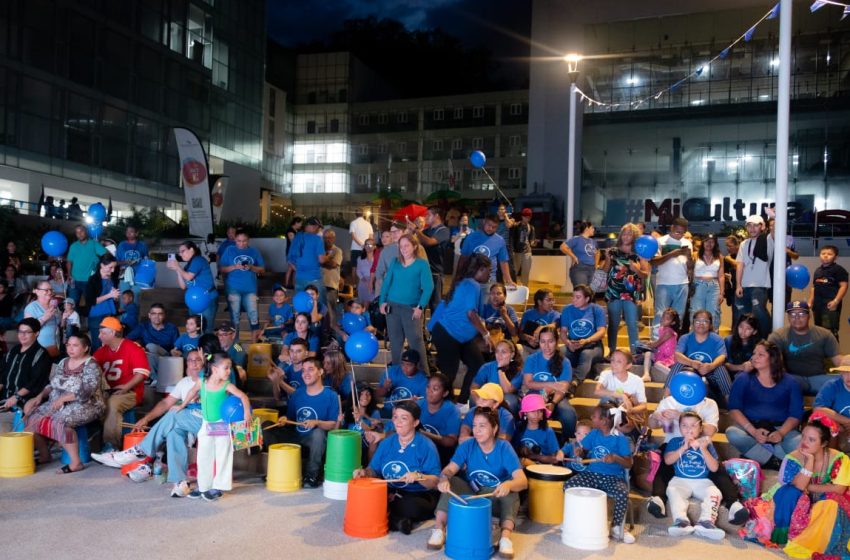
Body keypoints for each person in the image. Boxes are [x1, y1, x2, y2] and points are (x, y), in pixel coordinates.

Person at [91, 349, 205, 495]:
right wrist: (146, 419)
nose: (194, 363)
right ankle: (180, 482)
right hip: (186, 425)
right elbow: (165, 403)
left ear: (204, 362)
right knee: (173, 432)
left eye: (198, 360)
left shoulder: (210, 378)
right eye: (190, 360)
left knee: (174, 415)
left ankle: (141, 451)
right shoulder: (184, 383)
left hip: (205, 422)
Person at [740, 414, 850, 556]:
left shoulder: (839, 459)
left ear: (823, 443)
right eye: (803, 436)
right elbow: (796, 488)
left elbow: (839, 489)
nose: (805, 442)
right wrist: (809, 461)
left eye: (811, 440)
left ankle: (820, 540)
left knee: (832, 501)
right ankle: (790, 536)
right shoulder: (792, 458)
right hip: (796, 502)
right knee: (792, 494)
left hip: (823, 501)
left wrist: (809, 487)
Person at [428, 406, 528, 558]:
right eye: (474, 425)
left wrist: (508, 485)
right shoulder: (468, 445)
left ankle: (505, 538)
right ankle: (439, 529)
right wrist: (444, 479)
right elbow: (449, 470)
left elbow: (522, 481)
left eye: (482, 426)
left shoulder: (504, 447)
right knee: (452, 482)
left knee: (512, 491)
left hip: (496, 497)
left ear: (494, 429)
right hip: (473, 493)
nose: (476, 430)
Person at [647, 391, 747, 525]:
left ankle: (732, 502)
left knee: (717, 469)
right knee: (665, 465)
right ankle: (658, 498)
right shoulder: (669, 400)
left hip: (701, 443)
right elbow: (652, 425)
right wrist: (656, 416)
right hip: (674, 443)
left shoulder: (709, 403)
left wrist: (680, 417)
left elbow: (710, 431)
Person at [353, 400, 442, 534]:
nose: (398, 421)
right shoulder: (387, 442)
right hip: (391, 491)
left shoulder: (426, 446)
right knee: (364, 498)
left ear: (415, 423)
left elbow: (434, 481)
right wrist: (364, 472)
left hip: (417, 494)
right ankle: (398, 520)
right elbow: (374, 470)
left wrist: (418, 476)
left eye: (404, 418)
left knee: (412, 507)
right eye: (395, 417)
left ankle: (393, 517)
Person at [22, 333, 106, 474]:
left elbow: (86, 392)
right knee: (31, 417)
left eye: (75, 345)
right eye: (68, 345)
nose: (70, 348)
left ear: (85, 348)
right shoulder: (63, 362)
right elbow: (52, 384)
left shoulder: (91, 365)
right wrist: (39, 396)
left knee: (60, 421)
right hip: (59, 402)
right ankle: (45, 454)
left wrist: (62, 399)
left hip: (88, 405)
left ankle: (76, 462)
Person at [174, 353, 251, 501]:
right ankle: (204, 486)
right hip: (206, 424)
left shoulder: (227, 385)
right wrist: (183, 405)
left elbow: (243, 397)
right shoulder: (202, 382)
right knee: (203, 455)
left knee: (223, 455)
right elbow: (192, 391)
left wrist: (247, 412)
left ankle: (219, 486)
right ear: (215, 369)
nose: (229, 371)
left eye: (229, 368)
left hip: (222, 424)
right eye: (226, 368)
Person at [263, 357, 342, 488]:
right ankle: (279, 469)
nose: (306, 374)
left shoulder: (331, 395)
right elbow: (290, 419)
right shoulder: (297, 394)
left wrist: (317, 422)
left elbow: (333, 424)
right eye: (304, 370)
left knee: (318, 433)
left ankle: (312, 475)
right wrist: (284, 420)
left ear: (320, 372)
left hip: (314, 441)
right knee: (266, 427)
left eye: (311, 369)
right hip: (295, 437)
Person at [563, 403, 636, 544]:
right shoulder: (594, 434)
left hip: (613, 477)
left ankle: (616, 526)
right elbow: (583, 449)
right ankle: (574, 521)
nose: (591, 417)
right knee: (569, 485)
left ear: (604, 421)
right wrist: (580, 451)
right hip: (592, 475)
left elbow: (629, 463)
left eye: (594, 416)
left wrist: (615, 457)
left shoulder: (620, 438)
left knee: (622, 493)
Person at [727, 340, 804, 470]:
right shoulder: (743, 378)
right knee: (733, 433)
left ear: (773, 359)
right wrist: (753, 431)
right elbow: (734, 408)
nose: (754, 357)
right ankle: (773, 460)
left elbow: (795, 414)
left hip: (781, 428)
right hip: (750, 426)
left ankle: (756, 456)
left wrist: (781, 433)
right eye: (754, 353)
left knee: (799, 442)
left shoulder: (791, 382)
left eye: (760, 354)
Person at [430, 254, 492, 403]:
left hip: (462, 337)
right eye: (489, 270)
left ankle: (462, 401)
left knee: (477, 364)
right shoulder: (472, 285)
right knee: (448, 374)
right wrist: (486, 334)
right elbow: (471, 313)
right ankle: (441, 404)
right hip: (448, 334)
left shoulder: (465, 283)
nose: (490, 273)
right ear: (481, 269)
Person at [663, 412, 726, 540]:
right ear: (679, 428)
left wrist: (703, 448)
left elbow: (714, 468)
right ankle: (681, 521)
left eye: (693, 426)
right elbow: (668, 461)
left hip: (702, 480)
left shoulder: (707, 443)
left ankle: (706, 522)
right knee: (672, 490)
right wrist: (683, 448)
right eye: (684, 425)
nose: (689, 429)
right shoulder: (675, 441)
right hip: (680, 480)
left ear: (701, 428)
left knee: (715, 492)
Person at [93, 316, 150, 452]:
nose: (99, 336)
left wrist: (126, 387)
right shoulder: (101, 351)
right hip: (108, 390)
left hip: (131, 392)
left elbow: (142, 373)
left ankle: (111, 445)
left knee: (112, 403)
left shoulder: (132, 348)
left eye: (103, 333)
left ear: (113, 333)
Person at [768, 300, 850, 396]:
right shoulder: (778, 336)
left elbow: (838, 360)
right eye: (793, 314)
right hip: (793, 378)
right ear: (788, 317)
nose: (797, 318)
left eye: (801, 314)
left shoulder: (824, 334)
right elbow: (772, 363)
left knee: (842, 382)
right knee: (779, 380)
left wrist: (847, 366)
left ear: (809, 316)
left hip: (818, 378)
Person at [379, 234, 433, 373]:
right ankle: (397, 374)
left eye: (407, 245)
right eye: (401, 246)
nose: (403, 249)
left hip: (411, 309)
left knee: (416, 343)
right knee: (396, 344)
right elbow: (386, 283)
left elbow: (428, 287)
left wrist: (421, 306)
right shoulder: (395, 262)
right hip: (393, 308)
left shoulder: (422, 264)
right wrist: (382, 301)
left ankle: (424, 375)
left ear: (414, 246)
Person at [664, 309, 732, 407]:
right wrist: (692, 363)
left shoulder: (717, 339)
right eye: (698, 321)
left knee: (720, 368)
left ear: (710, 324)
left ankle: (731, 404)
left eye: (705, 321)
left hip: (711, 373)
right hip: (690, 373)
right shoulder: (685, 338)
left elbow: (722, 357)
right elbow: (677, 355)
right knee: (678, 364)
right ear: (693, 323)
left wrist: (711, 366)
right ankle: (665, 399)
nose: (701, 324)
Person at [521, 327, 577, 441]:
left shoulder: (564, 362)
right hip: (533, 395)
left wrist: (552, 403)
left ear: (556, 342)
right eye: (543, 342)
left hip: (555, 397)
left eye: (550, 341)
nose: (546, 346)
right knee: (527, 411)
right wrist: (552, 384)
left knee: (569, 415)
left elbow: (563, 387)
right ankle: (526, 440)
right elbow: (528, 383)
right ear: (539, 342)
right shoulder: (532, 359)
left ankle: (567, 444)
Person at [602, 223, 649, 353]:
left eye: (630, 234)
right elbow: (604, 270)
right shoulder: (613, 251)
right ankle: (611, 351)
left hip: (631, 294)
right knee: (613, 324)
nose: (626, 236)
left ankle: (634, 353)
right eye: (624, 233)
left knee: (632, 324)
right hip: (613, 292)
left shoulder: (639, 253)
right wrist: (606, 259)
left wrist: (637, 270)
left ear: (635, 236)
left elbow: (645, 274)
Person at [0, 318, 52, 432]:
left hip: (23, 403)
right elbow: (3, 374)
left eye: (27, 332)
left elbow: (35, 382)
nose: (22, 335)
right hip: (5, 400)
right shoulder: (13, 351)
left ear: (36, 333)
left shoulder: (41, 354)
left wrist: (16, 396)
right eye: (20, 331)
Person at [459, 214, 516, 306]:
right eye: (489, 225)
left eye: (494, 227)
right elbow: (463, 258)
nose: (491, 228)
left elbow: (503, 261)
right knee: (470, 308)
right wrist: (459, 276)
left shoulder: (500, 240)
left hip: (489, 281)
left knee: (485, 308)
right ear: (484, 222)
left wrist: (509, 280)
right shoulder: (471, 237)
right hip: (471, 280)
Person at [219, 229, 266, 342]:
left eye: (244, 241)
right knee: (235, 316)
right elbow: (222, 268)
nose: (241, 243)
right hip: (233, 288)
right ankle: (236, 344)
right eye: (239, 241)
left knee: (253, 315)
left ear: (248, 240)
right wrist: (235, 267)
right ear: (235, 239)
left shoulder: (254, 251)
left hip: (250, 288)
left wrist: (251, 267)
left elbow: (262, 269)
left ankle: (254, 343)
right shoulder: (229, 250)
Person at [650, 217, 693, 337]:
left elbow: (690, 267)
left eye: (683, 233)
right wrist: (671, 254)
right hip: (664, 283)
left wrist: (689, 258)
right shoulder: (660, 241)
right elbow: (653, 261)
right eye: (677, 232)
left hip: (682, 282)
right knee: (660, 314)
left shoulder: (687, 242)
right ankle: (656, 342)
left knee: (679, 315)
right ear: (672, 228)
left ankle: (673, 343)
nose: (680, 235)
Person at [560, 284, 607, 386]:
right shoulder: (567, 309)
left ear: (587, 299)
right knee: (560, 352)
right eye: (573, 296)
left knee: (586, 354)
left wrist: (587, 340)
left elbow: (601, 331)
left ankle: (575, 381)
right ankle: (558, 379)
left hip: (592, 345)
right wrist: (568, 343)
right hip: (573, 345)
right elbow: (563, 331)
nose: (574, 300)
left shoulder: (596, 309)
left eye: (578, 297)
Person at [735, 215, 773, 338]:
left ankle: (765, 338)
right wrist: (738, 285)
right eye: (749, 225)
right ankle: (746, 340)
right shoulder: (744, 244)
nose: (752, 228)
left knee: (758, 310)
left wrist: (774, 217)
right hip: (744, 285)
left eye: (756, 225)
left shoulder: (768, 240)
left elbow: (776, 230)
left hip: (760, 285)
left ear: (763, 227)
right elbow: (740, 265)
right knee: (742, 314)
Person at [168, 240, 218, 333]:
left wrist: (178, 267)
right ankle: (197, 347)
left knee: (207, 329)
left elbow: (188, 276)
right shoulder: (188, 266)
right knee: (194, 330)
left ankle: (207, 347)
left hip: (207, 298)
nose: (180, 254)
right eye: (179, 252)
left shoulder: (198, 260)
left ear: (191, 250)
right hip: (193, 301)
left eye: (182, 251)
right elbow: (183, 286)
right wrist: (177, 270)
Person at [594, 349, 647, 438]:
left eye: (619, 361)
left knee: (621, 416)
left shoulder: (637, 380)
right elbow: (597, 391)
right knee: (606, 400)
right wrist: (622, 396)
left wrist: (629, 409)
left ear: (628, 365)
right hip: (609, 415)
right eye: (612, 360)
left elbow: (644, 406)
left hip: (627, 418)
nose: (614, 364)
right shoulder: (606, 374)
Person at [128, 303, 180, 382]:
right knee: (146, 354)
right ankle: (155, 379)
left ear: (164, 315)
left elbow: (177, 346)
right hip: (150, 358)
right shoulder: (143, 327)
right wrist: (138, 347)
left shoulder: (171, 328)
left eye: (160, 314)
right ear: (149, 315)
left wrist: (175, 351)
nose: (157, 316)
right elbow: (128, 340)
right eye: (154, 314)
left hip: (166, 359)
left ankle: (154, 378)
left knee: (151, 346)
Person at [418, 373, 461, 467]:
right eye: (428, 387)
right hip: (419, 450)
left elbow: (451, 442)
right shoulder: (419, 404)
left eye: (435, 389)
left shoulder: (452, 410)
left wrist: (425, 434)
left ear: (445, 393)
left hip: (441, 454)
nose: (429, 391)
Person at [471, 339, 523, 414]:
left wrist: (500, 369)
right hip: (489, 397)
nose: (499, 355)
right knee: (472, 398)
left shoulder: (519, 371)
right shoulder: (487, 367)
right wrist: (478, 400)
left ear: (512, 355)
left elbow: (507, 390)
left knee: (511, 401)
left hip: (506, 398)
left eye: (503, 352)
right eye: (497, 351)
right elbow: (473, 387)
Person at [414, 206, 451, 309]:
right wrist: (412, 229)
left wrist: (417, 230)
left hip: (436, 273)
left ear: (436, 216)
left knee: (435, 304)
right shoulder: (427, 230)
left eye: (428, 215)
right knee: (421, 303)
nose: (425, 217)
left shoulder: (443, 230)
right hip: (423, 271)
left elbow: (430, 242)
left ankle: (435, 325)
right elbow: (416, 241)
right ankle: (421, 325)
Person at [810, 244, 848, 340]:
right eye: (823, 253)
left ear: (836, 257)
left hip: (830, 306)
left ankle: (834, 355)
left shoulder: (839, 270)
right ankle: (822, 355)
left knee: (830, 332)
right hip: (818, 306)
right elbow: (813, 287)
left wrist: (836, 301)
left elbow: (844, 286)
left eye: (829, 254)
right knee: (819, 331)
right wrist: (810, 302)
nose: (826, 255)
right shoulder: (817, 271)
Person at [376, 349, 428, 417]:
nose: (404, 368)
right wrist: (385, 388)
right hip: (389, 411)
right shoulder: (392, 371)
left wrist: (417, 404)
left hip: (407, 415)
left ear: (417, 365)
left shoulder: (423, 380)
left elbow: (425, 406)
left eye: (409, 365)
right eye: (403, 364)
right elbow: (378, 394)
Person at [66, 224, 108, 307]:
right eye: (77, 232)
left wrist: (100, 265)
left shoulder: (94, 244)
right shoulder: (73, 246)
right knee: (72, 304)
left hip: (89, 280)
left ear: (86, 232)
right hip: (74, 280)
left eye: (81, 231)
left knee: (90, 304)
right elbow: (69, 262)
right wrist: (69, 275)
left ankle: (87, 319)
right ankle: (74, 319)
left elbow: (106, 254)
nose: (79, 234)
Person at [85, 255, 120, 351]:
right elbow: (92, 301)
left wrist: (115, 297)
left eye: (114, 267)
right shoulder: (93, 280)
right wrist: (110, 295)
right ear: (102, 265)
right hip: (96, 315)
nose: (113, 270)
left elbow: (113, 297)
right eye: (110, 267)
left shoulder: (113, 279)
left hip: (109, 314)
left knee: (109, 344)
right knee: (97, 344)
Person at [513, 393, 559, 465]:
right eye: (533, 411)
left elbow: (555, 459)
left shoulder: (548, 431)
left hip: (543, 470)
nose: (537, 414)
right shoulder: (518, 428)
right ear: (525, 413)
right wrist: (521, 450)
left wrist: (535, 456)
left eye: (540, 411)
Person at [813, 365, 850, 453]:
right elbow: (818, 409)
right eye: (846, 372)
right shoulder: (832, 385)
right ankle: (831, 459)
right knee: (832, 429)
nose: (849, 376)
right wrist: (847, 421)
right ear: (841, 373)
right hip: (838, 428)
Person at [691, 234, 724, 330]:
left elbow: (721, 276)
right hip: (698, 285)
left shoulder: (719, 256)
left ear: (715, 243)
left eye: (712, 241)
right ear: (702, 242)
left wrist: (722, 293)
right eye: (706, 241)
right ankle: (695, 336)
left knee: (714, 312)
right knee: (696, 311)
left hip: (714, 286)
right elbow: (690, 272)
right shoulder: (695, 254)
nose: (709, 244)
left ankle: (713, 337)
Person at [24, 281, 61, 358]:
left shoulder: (54, 306)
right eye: (46, 290)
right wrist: (44, 318)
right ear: (37, 292)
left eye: (51, 290)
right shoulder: (31, 307)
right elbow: (28, 329)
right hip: (39, 349)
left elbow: (58, 323)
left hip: (54, 347)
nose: (50, 292)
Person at [643, 308, 679, 382]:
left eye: (667, 319)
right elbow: (659, 342)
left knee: (657, 364)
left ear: (673, 323)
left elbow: (657, 343)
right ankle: (646, 375)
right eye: (663, 317)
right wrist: (650, 344)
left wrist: (648, 345)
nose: (663, 319)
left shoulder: (669, 332)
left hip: (668, 356)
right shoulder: (662, 329)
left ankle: (675, 376)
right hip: (660, 353)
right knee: (648, 353)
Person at [115, 226, 149, 301]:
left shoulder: (142, 245)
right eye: (127, 232)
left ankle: (133, 312)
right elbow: (116, 262)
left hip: (139, 276)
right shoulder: (122, 245)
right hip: (124, 275)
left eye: (131, 232)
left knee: (136, 298)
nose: (129, 234)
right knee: (124, 298)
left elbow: (147, 261)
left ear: (136, 233)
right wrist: (125, 262)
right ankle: (124, 312)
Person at [561, 221, 597, 289]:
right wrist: (573, 257)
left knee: (590, 293)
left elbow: (597, 252)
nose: (593, 229)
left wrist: (595, 264)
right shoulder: (576, 239)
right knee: (581, 291)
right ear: (586, 229)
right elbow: (563, 247)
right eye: (592, 228)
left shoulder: (592, 241)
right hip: (580, 268)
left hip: (592, 269)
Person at [724, 313, 759, 378]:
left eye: (748, 329)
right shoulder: (729, 340)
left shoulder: (758, 345)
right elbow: (725, 364)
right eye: (741, 327)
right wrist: (741, 367)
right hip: (730, 376)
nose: (743, 331)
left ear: (754, 331)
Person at [321, 228, 343, 328]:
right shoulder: (320, 250)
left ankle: (332, 333)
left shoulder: (337, 250)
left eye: (330, 238)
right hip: (319, 284)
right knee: (320, 310)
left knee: (331, 311)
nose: (327, 240)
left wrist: (322, 261)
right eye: (325, 238)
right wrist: (326, 260)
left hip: (331, 285)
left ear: (334, 239)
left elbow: (334, 265)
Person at [374, 222, 403, 296]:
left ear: (404, 231)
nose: (394, 234)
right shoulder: (385, 251)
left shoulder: (416, 247)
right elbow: (379, 272)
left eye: (397, 231)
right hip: (390, 290)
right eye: (392, 232)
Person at [214, 321, 247, 386]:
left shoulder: (238, 349)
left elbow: (239, 371)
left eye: (225, 335)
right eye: (219, 334)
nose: (220, 338)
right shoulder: (217, 348)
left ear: (233, 335)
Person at [509, 208, 536, 286]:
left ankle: (525, 289)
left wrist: (533, 243)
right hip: (516, 252)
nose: (527, 218)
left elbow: (531, 241)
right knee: (514, 271)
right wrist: (512, 250)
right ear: (522, 216)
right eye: (525, 216)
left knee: (526, 272)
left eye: (528, 217)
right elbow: (512, 238)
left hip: (527, 252)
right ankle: (512, 288)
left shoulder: (531, 227)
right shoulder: (516, 225)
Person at [723, 235, 741, 325]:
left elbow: (738, 266)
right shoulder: (726, 259)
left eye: (730, 246)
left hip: (743, 288)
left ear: (737, 245)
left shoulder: (742, 255)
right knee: (735, 313)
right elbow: (723, 273)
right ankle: (734, 333)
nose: (727, 248)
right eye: (726, 246)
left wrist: (728, 259)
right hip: (732, 290)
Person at [355, 238, 378, 305]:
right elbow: (358, 271)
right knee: (362, 304)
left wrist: (372, 281)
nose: (368, 246)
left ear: (374, 247)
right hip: (363, 283)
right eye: (366, 244)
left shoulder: (378, 259)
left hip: (374, 283)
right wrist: (365, 281)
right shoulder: (360, 258)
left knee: (372, 304)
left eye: (370, 245)